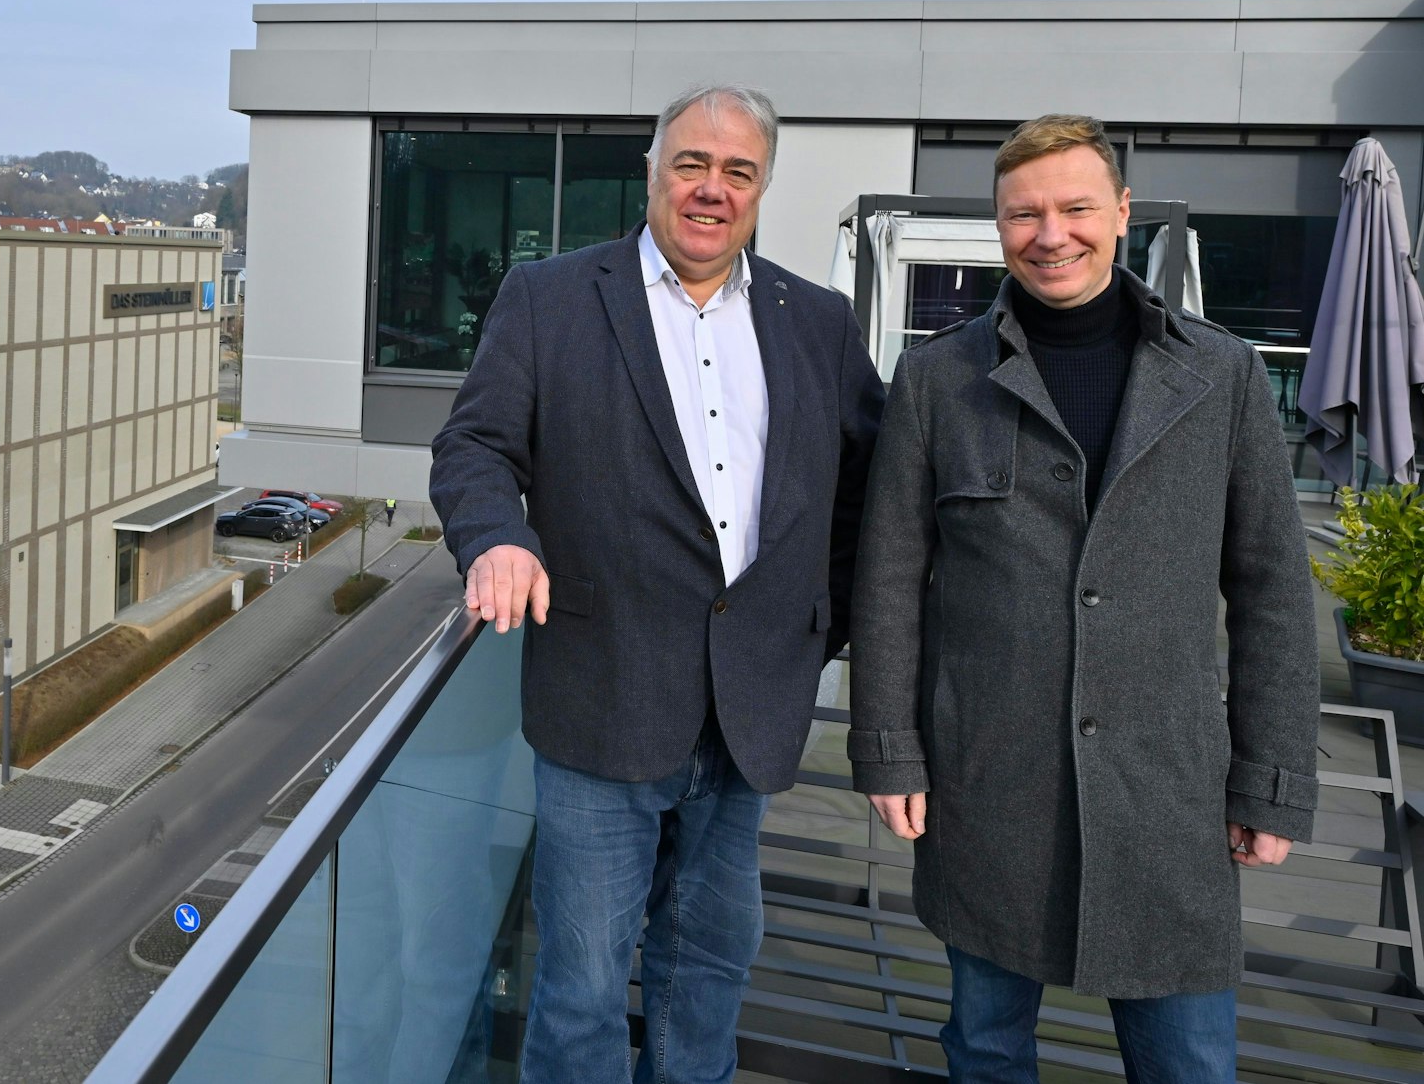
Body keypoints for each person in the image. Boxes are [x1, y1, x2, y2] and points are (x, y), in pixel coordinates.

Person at [847, 113, 1320, 1082]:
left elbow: (1271, 588)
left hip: (1168, 800)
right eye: (1022, 214)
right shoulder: (938, 378)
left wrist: (1271, 778)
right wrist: (887, 750)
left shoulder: (1219, 373)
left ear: (1120, 213)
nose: (1048, 233)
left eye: (1072, 207)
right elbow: (888, 577)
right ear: (996, 224)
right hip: (986, 791)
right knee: (983, 1050)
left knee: (1186, 1064)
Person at [431, 83, 884, 1084]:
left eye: (737, 172)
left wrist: (820, 626)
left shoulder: (815, 322)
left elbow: (866, 493)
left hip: (750, 715)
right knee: (584, 983)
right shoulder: (548, 299)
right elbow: (473, 447)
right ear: (650, 172)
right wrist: (496, 542)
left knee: (710, 966)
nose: (711, 189)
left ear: (760, 190)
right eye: (691, 163)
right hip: (599, 702)